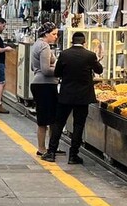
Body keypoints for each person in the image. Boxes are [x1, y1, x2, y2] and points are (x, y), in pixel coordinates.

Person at [41, 31, 102, 164]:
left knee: (59, 123)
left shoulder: (64, 54)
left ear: (72, 42)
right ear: (84, 42)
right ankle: (73, 155)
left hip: (66, 95)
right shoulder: (90, 55)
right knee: (79, 125)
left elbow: (57, 72)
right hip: (83, 97)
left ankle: (51, 153)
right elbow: (99, 70)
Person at [30, 23, 64, 157]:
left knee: (48, 118)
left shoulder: (37, 44)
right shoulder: (44, 46)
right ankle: (44, 148)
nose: (56, 37)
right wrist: (60, 71)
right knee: (47, 119)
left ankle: (49, 147)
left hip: (40, 84)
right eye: (53, 34)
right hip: (45, 85)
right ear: (45, 34)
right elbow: (45, 70)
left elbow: (35, 68)